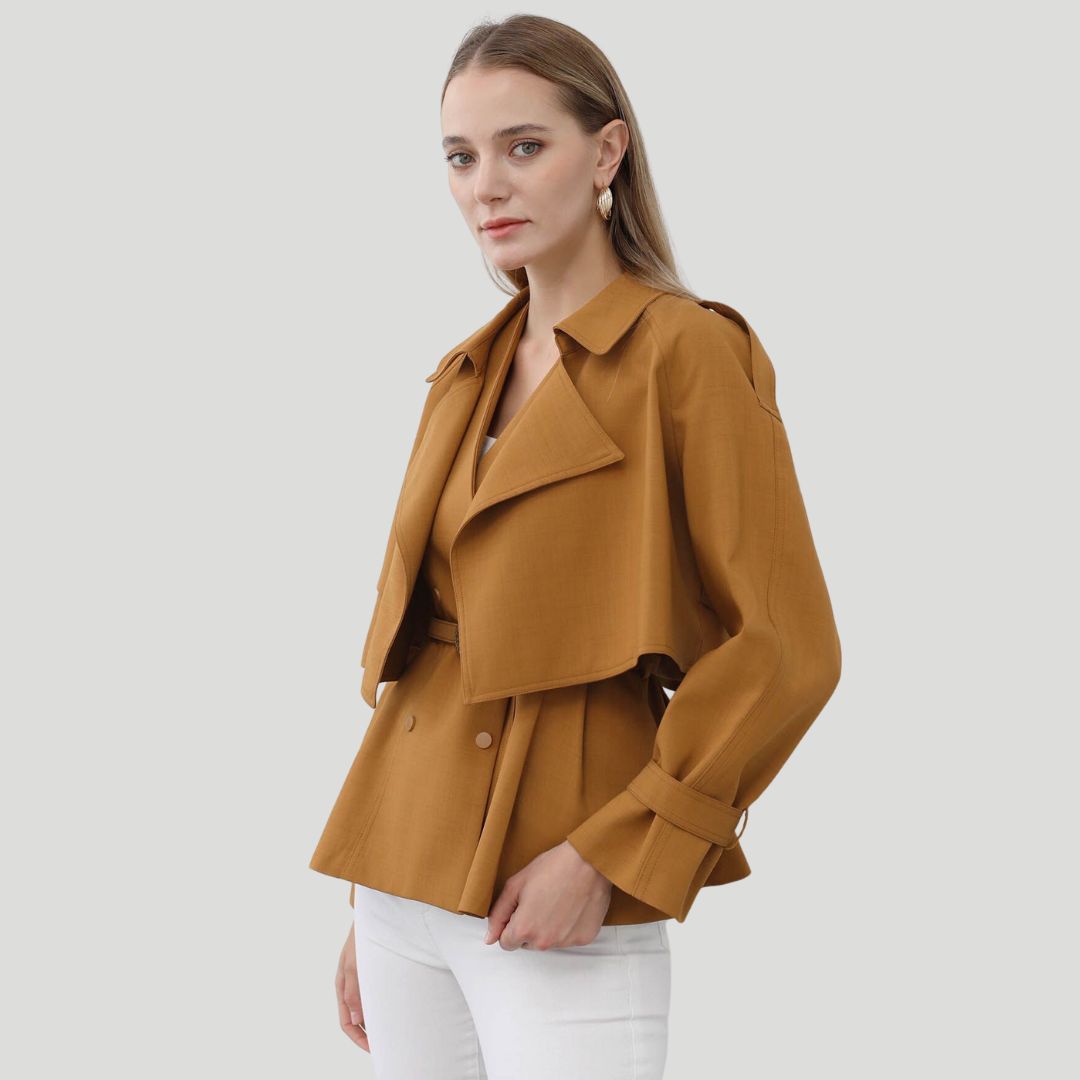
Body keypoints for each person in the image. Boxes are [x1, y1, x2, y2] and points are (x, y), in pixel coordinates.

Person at [310, 14, 842, 1079]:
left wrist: (614, 851)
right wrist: (375, 892)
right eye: (461, 157)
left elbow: (786, 648)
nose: (487, 187)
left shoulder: (688, 352)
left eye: (524, 146)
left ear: (607, 153)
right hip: (405, 885)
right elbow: (426, 653)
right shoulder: (464, 374)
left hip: (560, 889)